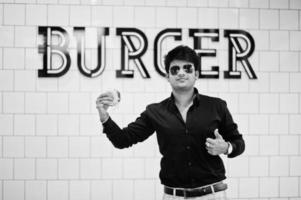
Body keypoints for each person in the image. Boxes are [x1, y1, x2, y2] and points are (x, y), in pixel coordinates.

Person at [96, 45, 245, 200]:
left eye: (187, 68)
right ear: (167, 76)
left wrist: (227, 147)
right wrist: (103, 114)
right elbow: (122, 140)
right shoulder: (155, 111)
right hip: (174, 196)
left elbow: (239, 143)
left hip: (212, 195)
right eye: (175, 69)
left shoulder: (216, 106)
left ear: (196, 74)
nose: (181, 73)